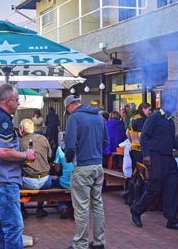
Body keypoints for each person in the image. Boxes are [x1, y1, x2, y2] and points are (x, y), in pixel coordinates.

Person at [0, 84, 36, 248]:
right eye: (17, 100)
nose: (19, 103)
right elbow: (2, 151)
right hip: (3, 180)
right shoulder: (2, 120)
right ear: (7, 101)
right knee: (13, 227)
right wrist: (26, 155)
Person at [130, 95, 178, 231]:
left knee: (173, 185)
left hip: (168, 157)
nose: (175, 108)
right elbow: (144, 136)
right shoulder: (154, 117)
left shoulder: (170, 121)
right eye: (173, 105)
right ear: (165, 105)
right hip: (155, 156)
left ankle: (171, 219)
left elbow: (171, 142)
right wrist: (146, 155)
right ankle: (136, 210)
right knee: (154, 186)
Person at [64, 95, 108, 249]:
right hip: (98, 165)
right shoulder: (99, 117)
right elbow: (105, 142)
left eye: (67, 110)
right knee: (97, 204)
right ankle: (99, 241)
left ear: (70, 106)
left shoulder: (74, 118)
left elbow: (69, 145)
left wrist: (69, 158)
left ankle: (80, 244)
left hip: (82, 166)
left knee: (81, 207)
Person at [19, 118, 53, 218]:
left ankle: (22, 209)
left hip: (28, 180)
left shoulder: (19, 142)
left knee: (15, 181)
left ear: (21, 129)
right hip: (46, 180)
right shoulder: (43, 139)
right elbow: (50, 156)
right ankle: (40, 208)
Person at [125, 102, 151, 205]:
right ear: (143, 109)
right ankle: (137, 199)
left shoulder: (133, 118)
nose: (150, 112)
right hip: (140, 151)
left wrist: (132, 142)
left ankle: (130, 198)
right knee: (141, 175)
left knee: (134, 174)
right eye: (148, 109)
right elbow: (142, 137)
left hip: (133, 149)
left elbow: (127, 133)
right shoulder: (141, 120)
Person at [53, 141, 74, 219]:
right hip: (78, 182)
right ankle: (72, 208)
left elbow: (57, 169)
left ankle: (62, 207)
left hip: (64, 182)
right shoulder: (81, 148)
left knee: (56, 184)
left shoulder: (60, 149)